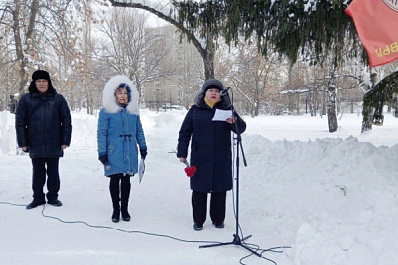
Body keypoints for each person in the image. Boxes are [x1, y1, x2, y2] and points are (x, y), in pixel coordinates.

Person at [177, 79, 246, 231]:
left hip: (221, 156)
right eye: (210, 91)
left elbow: (241, 128)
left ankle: (218, 219)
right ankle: (199, 220)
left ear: (221, 94)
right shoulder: (195, 110)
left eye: (216, 91)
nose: (214, 93)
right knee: (199, 190)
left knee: (220, 190)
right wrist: (182, 152)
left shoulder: (227, 109)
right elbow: (185, 132)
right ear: (204, 94)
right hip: (200, 156)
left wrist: (234, 122)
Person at [15, 70, 72, 210]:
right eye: (39, 81)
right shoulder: (26, 99)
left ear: (49, 82)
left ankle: (53, 197)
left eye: (44, 81)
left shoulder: (58, 99)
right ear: (34, 83)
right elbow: (20, 122)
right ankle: (38, 197)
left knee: (53, 172)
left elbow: (66, 120)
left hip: (54, 141)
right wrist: (23, 143)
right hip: (35, 142)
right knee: (38, 172)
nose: (41, 84)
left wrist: (65, 140)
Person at [97, 75, 147, 223]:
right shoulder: (106, 112)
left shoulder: (133, 112)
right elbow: (101, 133)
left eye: (125, 93)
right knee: (114, 179)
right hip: (114, 151)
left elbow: (139, 130)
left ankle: (124, 209)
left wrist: (143, 146)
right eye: (120, 93)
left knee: (126, 181)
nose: (123, 96)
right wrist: (102, 152)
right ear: (114, 94)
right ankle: (115, 209)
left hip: (129, 150)